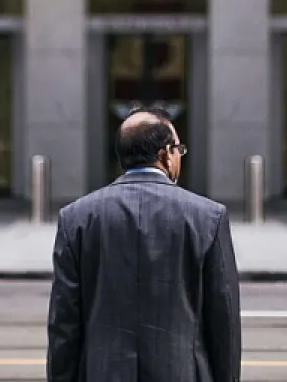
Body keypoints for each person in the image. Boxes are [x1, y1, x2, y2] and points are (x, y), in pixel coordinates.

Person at [47, 107, 241, 382]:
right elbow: (224, 325)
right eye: (179, 149)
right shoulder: (208, 217)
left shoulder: (76, 218)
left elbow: (64, 326)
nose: (179, 157)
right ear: (165, 154)